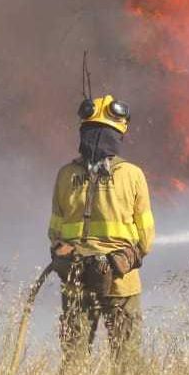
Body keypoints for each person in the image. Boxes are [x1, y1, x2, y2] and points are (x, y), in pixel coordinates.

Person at [48, 94, 154, 361]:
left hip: (76, 280)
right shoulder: (132, 175)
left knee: (74, 358)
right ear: (118, 134)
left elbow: (54, 232)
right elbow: (146, 237)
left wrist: (68, 255)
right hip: (121, 282)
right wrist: (125, 258)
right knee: (127, 360)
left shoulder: (65, 175)